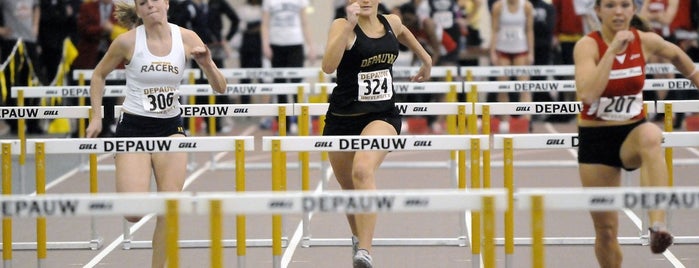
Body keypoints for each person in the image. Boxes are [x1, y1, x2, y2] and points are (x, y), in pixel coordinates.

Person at [85, 1, 226, 267]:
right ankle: (136, 180)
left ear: (166, 3)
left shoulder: (186, 37)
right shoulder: (126, 42)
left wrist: (207, 64)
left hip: (170, 127)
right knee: (133, 213)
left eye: (154, 0)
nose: (150, 5)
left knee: (169, 209)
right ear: (138, 10)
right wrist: (96, 116)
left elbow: (220, 87)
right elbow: (98, 75)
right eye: (143, 3)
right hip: (133, 128)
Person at [573, 0, 699, 266]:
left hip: (632, 133)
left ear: (633, 10)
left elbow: (678, 56)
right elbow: (587, 94)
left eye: (624, 5)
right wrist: (611, 52)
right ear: (597, 11)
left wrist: (695, 77)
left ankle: (657, 226)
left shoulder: (645, 41)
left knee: (652, 135)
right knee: (606, 232)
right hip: (596, 140)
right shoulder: (587, 45)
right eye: (610, 5)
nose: (618, 11)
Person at [321, 0, 432, 267]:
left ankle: (366, 251)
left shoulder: (390, 22)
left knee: (362, 170)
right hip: (341, 118)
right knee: (349, 188)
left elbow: (403, 31)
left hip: (381, 115)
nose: (366, 1)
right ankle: (359, 240)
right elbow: (327, 66)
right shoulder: (341, 25)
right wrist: (349, 25)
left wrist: (425, 58)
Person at [261, 0, 315, 133]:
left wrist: (311, 46)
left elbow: (305, 23)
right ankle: (283, 125)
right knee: (279, 86)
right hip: (276, 44)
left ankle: (300, 122)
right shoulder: (269, 2)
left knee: (297, 85)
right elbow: (265, 25)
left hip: (295, 44)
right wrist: (265, 44)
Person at [489, 0, 535, 131]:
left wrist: (531, 53)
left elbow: (529, 30)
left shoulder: (526, 6)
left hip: (521, 49)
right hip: (502, 49)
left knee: (524, 85)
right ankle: (505, 119)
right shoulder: (498, 6)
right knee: (503, 86)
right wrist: (492, 52)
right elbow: (494, 29)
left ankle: (527, 118)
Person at [0, 0, 43, 135]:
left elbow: (36, 7)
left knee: (34, 80)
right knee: (12, 83)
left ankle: (33, 122)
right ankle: (14, 123)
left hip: (29, 40)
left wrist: (35, 25)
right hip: (11, 41)